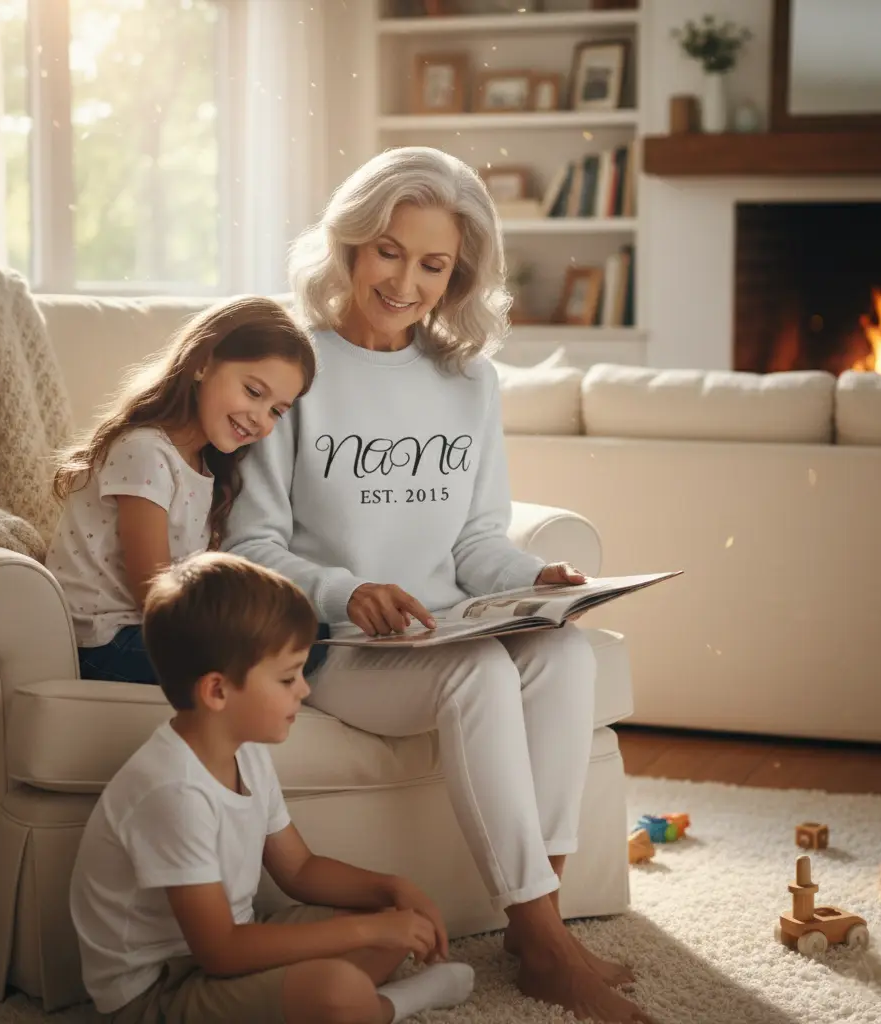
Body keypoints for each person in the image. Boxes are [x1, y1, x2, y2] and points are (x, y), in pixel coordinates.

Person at [224, 147, 655, 1023]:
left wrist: (537, 579)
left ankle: (546, 923)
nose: (406, 281)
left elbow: (475, 539)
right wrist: (350, 592)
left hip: (446, 626)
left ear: (457, 274)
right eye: (389, 250)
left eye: (433, 264)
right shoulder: (294, 366)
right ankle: (542, 943)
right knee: (483, 673)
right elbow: (253, 542)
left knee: (563, 654)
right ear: (348, 243)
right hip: (342, 646)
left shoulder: (467, 380)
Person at [69, 552, 476, 1024]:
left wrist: (392, 890)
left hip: (229, 949)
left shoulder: (246, 750)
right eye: (287, 678)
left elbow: (299, 869)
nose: (303, 691)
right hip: (157, 992)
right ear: (217, 691)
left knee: (387, 924)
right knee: (341, 986)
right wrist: (369, 930)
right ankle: (398, 1004)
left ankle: (347, 1002)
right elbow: (221, 951)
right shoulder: (172, 791)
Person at [46, 295, 330, 684]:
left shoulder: (203, 464)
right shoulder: (146, 451)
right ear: (202, 363)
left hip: (152, 631)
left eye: (277, 411)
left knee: (314, 636)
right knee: (277, 657)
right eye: (253, 392)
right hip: (105, 643)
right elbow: (153, 594)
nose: (260, 420)